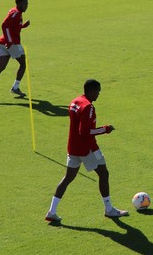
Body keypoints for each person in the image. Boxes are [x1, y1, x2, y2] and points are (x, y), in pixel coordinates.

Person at [45, 79, 129, 223]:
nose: (98, 94)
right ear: (91, 91)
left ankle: (52, 211)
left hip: (73, 148)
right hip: (87, 149)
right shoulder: (88, 107)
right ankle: (109, 210)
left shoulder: (75, 102)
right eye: (97, 91)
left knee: (67, 178)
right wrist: (105, 129)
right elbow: (84, 132)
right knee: (104, 173)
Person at [0, 0, 31, 101]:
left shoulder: (15, 11)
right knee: (23, 64)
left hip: (2, 42)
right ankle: (15, 87)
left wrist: (23, 26)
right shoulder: (16, 13)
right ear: (19, 4)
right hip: (11, 43)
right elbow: (4, 25)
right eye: (25, 3)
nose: (27, 5)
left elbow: (12, 25)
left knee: (1, 66)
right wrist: (9, 42)